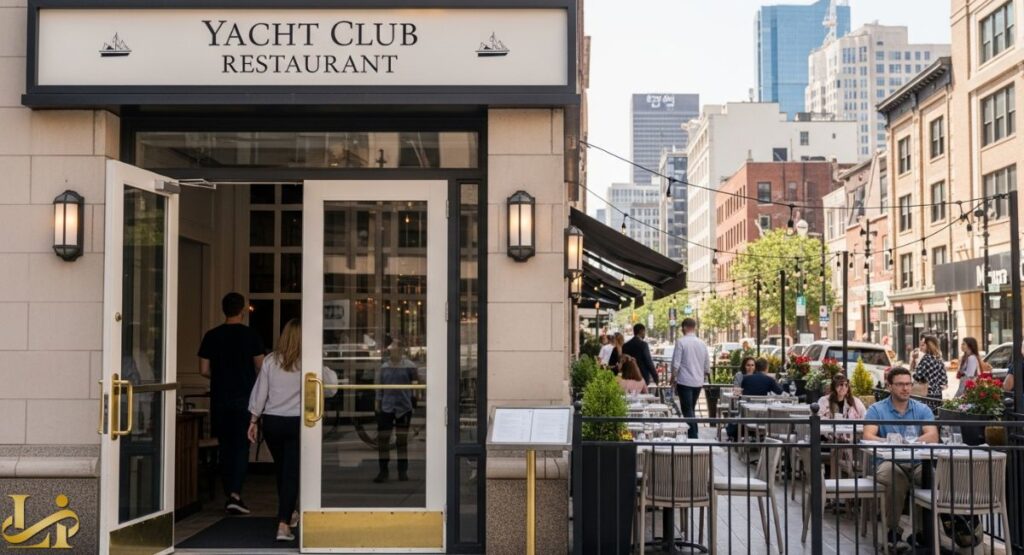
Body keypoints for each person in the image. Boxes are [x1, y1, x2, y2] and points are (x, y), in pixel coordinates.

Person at [247, 319, 337, 541]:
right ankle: (284, 524)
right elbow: (331, 388)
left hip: (273, 423)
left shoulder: (270, 360)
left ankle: (290, 513)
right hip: (299, 423)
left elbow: (260, 393)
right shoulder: (309, 361)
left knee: (283, 471)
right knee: (291, 473)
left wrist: (253, 420)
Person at [198, 292, 266, 515]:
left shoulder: (211, 336)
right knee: (241, 446)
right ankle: (235, 494)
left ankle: (229, 492)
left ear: (223, 309)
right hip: (244, 398)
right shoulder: (251, 335)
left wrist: (220, 378)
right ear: (243, 310)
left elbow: (204, 370)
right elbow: (261, 367)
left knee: (225, 446)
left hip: (219, 398)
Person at [863, 367, 939, 552]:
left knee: (934, 477)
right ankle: (892, 533)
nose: (905, 388)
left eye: (908, 384)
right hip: (888, 462)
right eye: (900, 384)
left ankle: (924, 534)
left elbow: (933, 436)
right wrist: (890, 440)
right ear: (890, 386)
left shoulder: (921, 409)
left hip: (919, 461)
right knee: (895, 479)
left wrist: (912, 441)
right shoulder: (877, 409)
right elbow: (868, 435)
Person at [375, 336, 419, 483]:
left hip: (403, 407)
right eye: (391, 348)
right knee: (383, 440)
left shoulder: (409, 366)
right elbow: (379, 387)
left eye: (395, 348)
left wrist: (414, 402)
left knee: (402, 441)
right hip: (386, 407)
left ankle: (402, 471)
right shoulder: (384, 367)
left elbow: (415, 386)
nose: (392, 350)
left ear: (401, 350)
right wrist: (378, 403)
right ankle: (383, 471)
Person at [671, 318, 709, 439]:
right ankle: (694, 432)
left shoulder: (681, 342)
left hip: (684, 380)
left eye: (682, 328)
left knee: (687, 409)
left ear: (684, 328)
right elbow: (707, 364)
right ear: (694, 327)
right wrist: (704, 375)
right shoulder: (702, 343)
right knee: (691, 408)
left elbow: (676, 363)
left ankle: (693, 436)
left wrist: (673, 377)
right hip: (698, 381)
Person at [912, 335, 947, 400]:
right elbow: (944, 381)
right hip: (937, 395)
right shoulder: (939, 359)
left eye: (923, 344)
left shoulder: (927, 359)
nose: (920, 346)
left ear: (929, 345)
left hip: (925, 395)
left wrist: (913, 370)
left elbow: (917, 376)